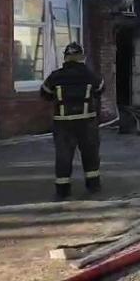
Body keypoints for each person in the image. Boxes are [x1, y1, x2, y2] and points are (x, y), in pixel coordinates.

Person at [40, 42, 105, 200]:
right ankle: (93, 185)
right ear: (82, 57)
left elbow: (45, 94)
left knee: (63, 156)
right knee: (90, 154)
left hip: (63, 123)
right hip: (87, 122)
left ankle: (62, 189)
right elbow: (100, 90)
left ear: (66, 58)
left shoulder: (56, 76)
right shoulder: (90, 75)